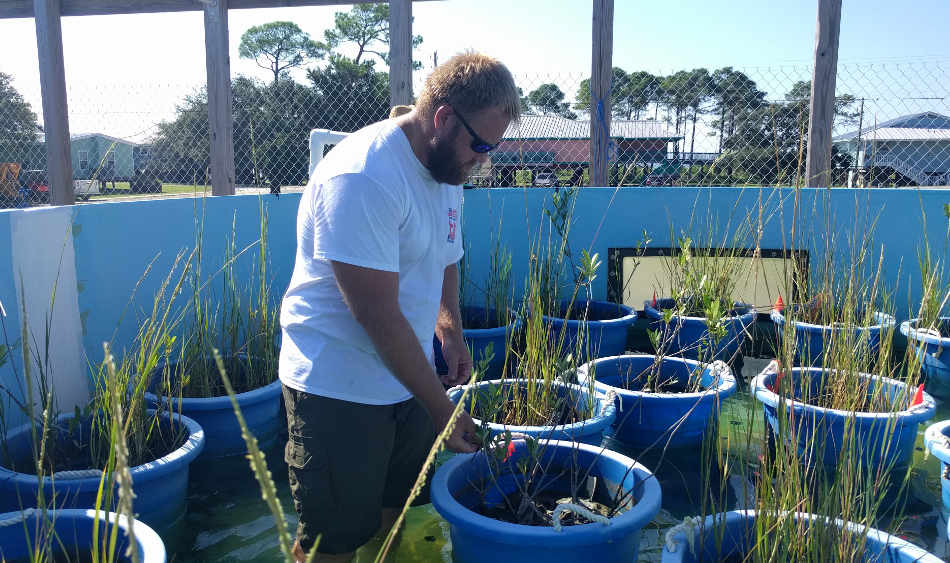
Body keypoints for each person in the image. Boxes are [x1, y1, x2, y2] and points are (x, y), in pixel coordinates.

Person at [279, 52, 521, 562]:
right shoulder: (363, 175)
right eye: (480, 145)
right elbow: (377, 316)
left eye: (492, 150)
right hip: (338, 386)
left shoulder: (447, 168)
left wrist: (449, 328)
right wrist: (442, 410)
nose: (483, 160)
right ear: (442, 118)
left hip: (407, 378)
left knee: (394, 511)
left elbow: (447, 253)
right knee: (333, 540)